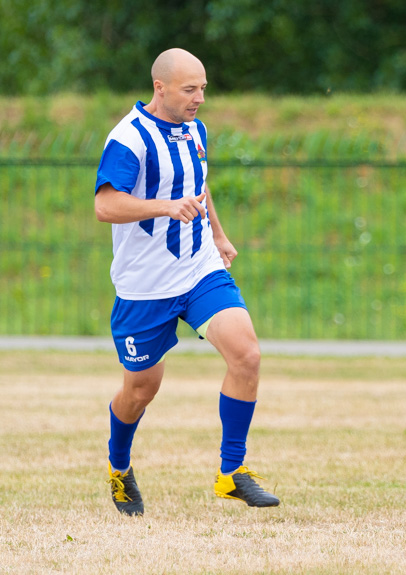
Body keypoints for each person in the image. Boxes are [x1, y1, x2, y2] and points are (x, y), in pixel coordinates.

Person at [94, 48, 279, 516]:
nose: (199, 98)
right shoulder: (129, 139)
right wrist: (164, 206)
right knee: (140, 390)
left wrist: (216, 233)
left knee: (247, 354)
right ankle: (119, 468)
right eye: (189, 89)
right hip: (145, 286)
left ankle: (230, 473)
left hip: (198, 269)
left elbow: (198, 184)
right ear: (160, 88)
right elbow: (105, 206)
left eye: (203, 88)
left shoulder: (194, 130)